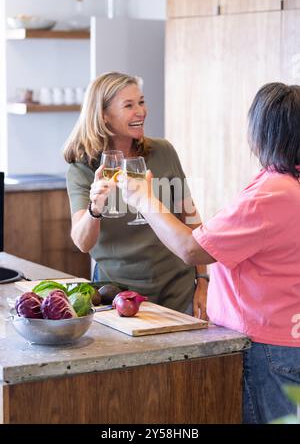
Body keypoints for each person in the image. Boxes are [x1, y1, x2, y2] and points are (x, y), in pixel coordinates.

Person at [118, 82, 300, 423]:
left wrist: (144, 198)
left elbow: (192, 249)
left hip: (268, 348)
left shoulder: (273, 193)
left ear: (264, 133)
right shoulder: (288, 183)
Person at [63, 71, 208, 317]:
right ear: (104, 116)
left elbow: (192, 218)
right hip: (120, 297)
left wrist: (203, 280)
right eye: (129, 105)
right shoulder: (83, 167)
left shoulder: (163, 151)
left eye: (141, 102)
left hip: (178, 289)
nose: (140, 111)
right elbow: (82, 242)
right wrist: (94, 208)